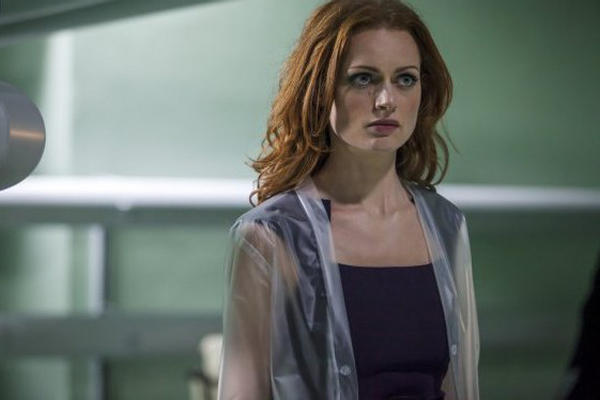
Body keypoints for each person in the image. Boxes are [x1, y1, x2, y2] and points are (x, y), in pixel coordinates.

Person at [218, 0, 479, 399]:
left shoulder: (446, 225)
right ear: (320, 91)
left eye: (405, 79)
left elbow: (458, 384)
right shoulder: (271, 236)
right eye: (363, 79)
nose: (386, 100)